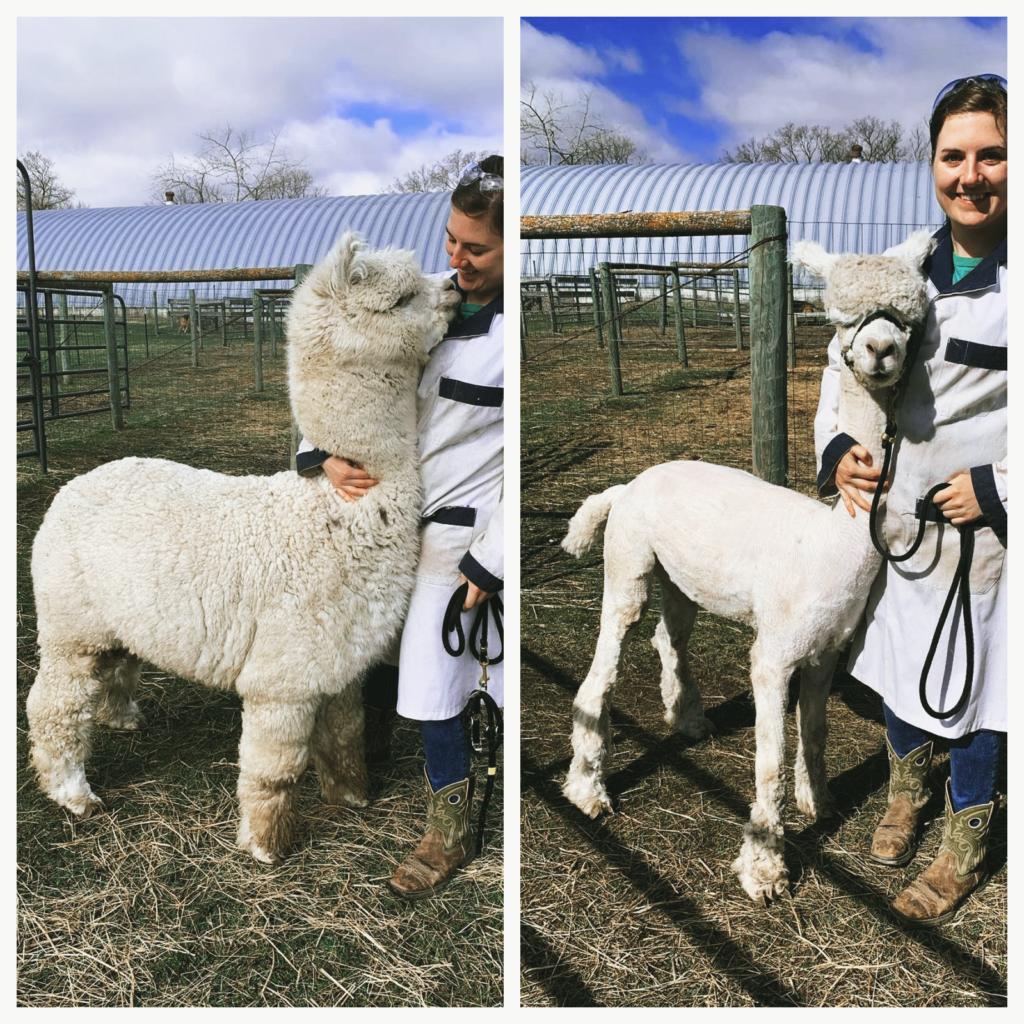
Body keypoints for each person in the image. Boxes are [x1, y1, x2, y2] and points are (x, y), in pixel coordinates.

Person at [814, 76, 1006, 927]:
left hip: (985, 537)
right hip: (899, 524)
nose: (972, 175)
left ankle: (965, 840)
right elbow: (838, 363)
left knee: (985, 683)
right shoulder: (899, 272)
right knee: (899, 664)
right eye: (953, 155)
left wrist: (1001, 488)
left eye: (992, 154)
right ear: (930, 163)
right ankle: (905, 794)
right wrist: (836, 453)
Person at [295, 155, 504, 900]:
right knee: (403, 669)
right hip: (385, 521)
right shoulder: (419, 305)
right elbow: (337, 378)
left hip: (463, 531)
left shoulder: (516, 337)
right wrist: (317, 455)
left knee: (437, 673)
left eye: (475, 248)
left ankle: (448, 827)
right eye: (451, 241)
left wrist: (495, 557)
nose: (456, 258)